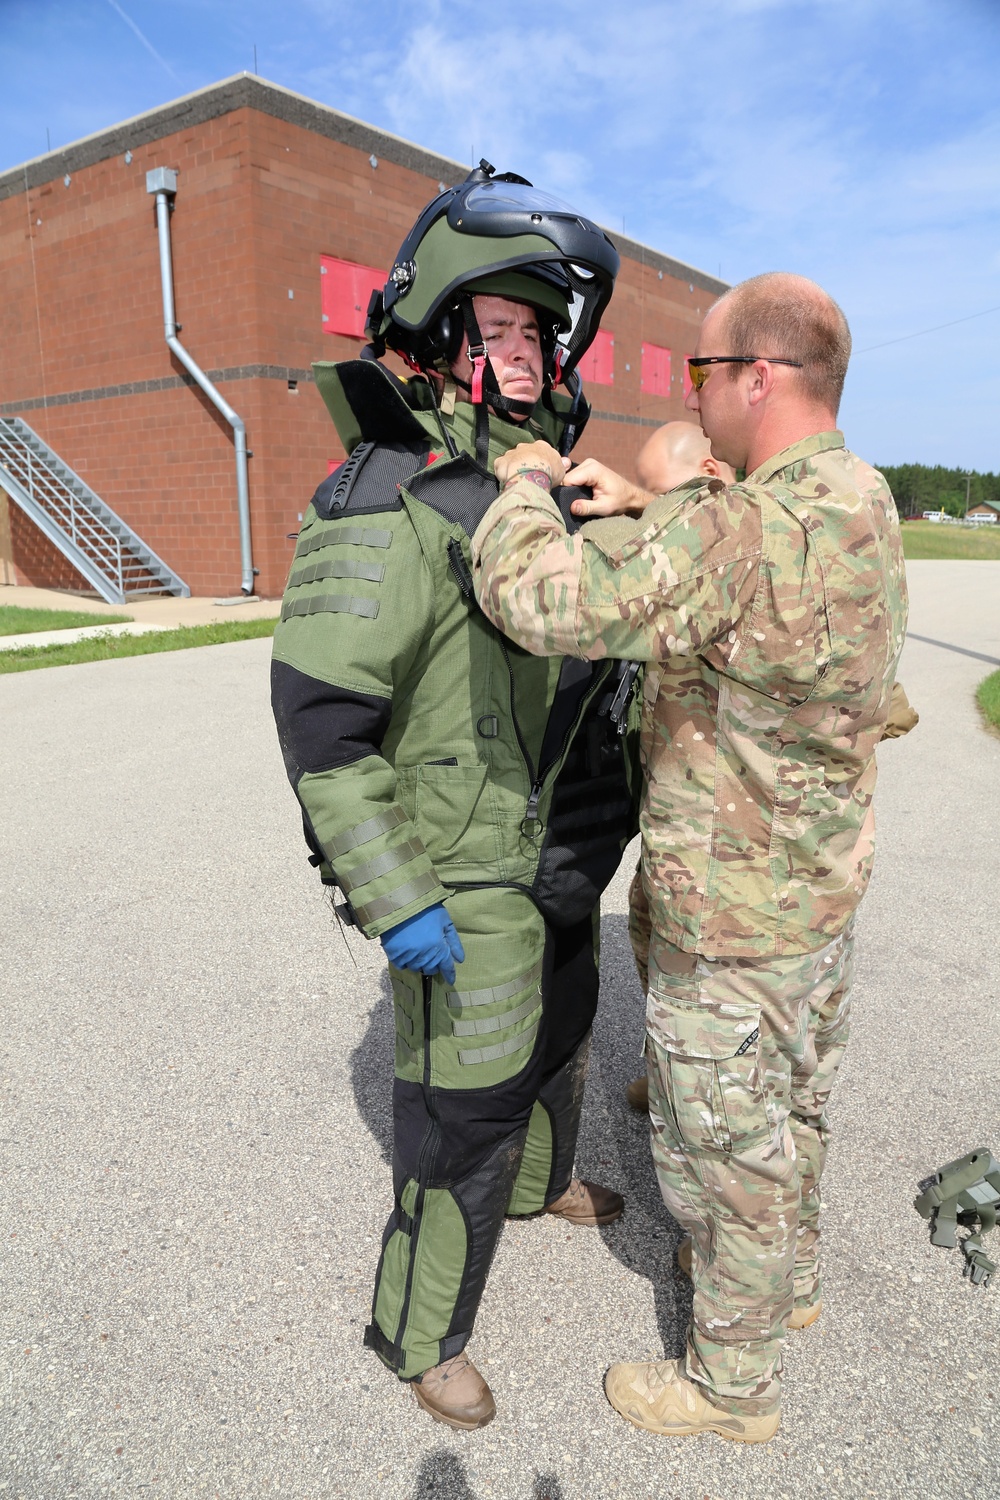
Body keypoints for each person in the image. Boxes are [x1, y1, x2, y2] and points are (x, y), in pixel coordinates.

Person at [469, 271, 908, 1443]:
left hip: (733, 911)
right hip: (813, 896)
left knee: (722, 1153)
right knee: (793, 1111)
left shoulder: (738, 531)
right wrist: (648, 502)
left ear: (756, 378)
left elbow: (544, 600)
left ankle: (728, 1389)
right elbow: (730, 566)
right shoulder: (856, 497)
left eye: (700, 373)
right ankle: (791, 1292)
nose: (691, 392)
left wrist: (519, 488)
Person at [270, 163, 641, 1432]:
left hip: (560, 866)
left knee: (559, 1046)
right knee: (458, 1112)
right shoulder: (392, 494)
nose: (527, 350)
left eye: (539, 329)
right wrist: (396, 894)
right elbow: (322, 724)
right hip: (460, 877)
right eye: (497, 327)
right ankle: (416, 1331)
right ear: (438, 338)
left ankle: (541, 1190)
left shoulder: (539, 495)